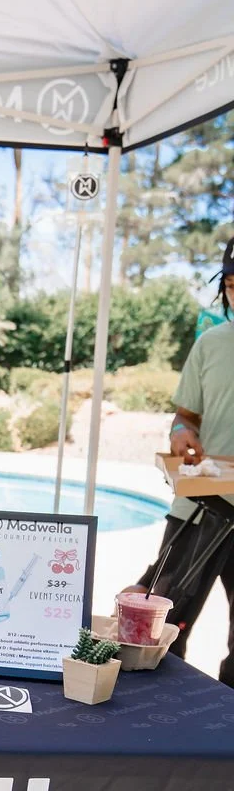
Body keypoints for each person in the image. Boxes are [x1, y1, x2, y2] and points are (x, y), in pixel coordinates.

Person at [135, 236, 234, 686]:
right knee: (163, 625)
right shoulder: (211, 343)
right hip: (202, 503)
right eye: (232, 285)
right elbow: (185, 416)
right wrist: (181, 435)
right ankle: (156, 727)